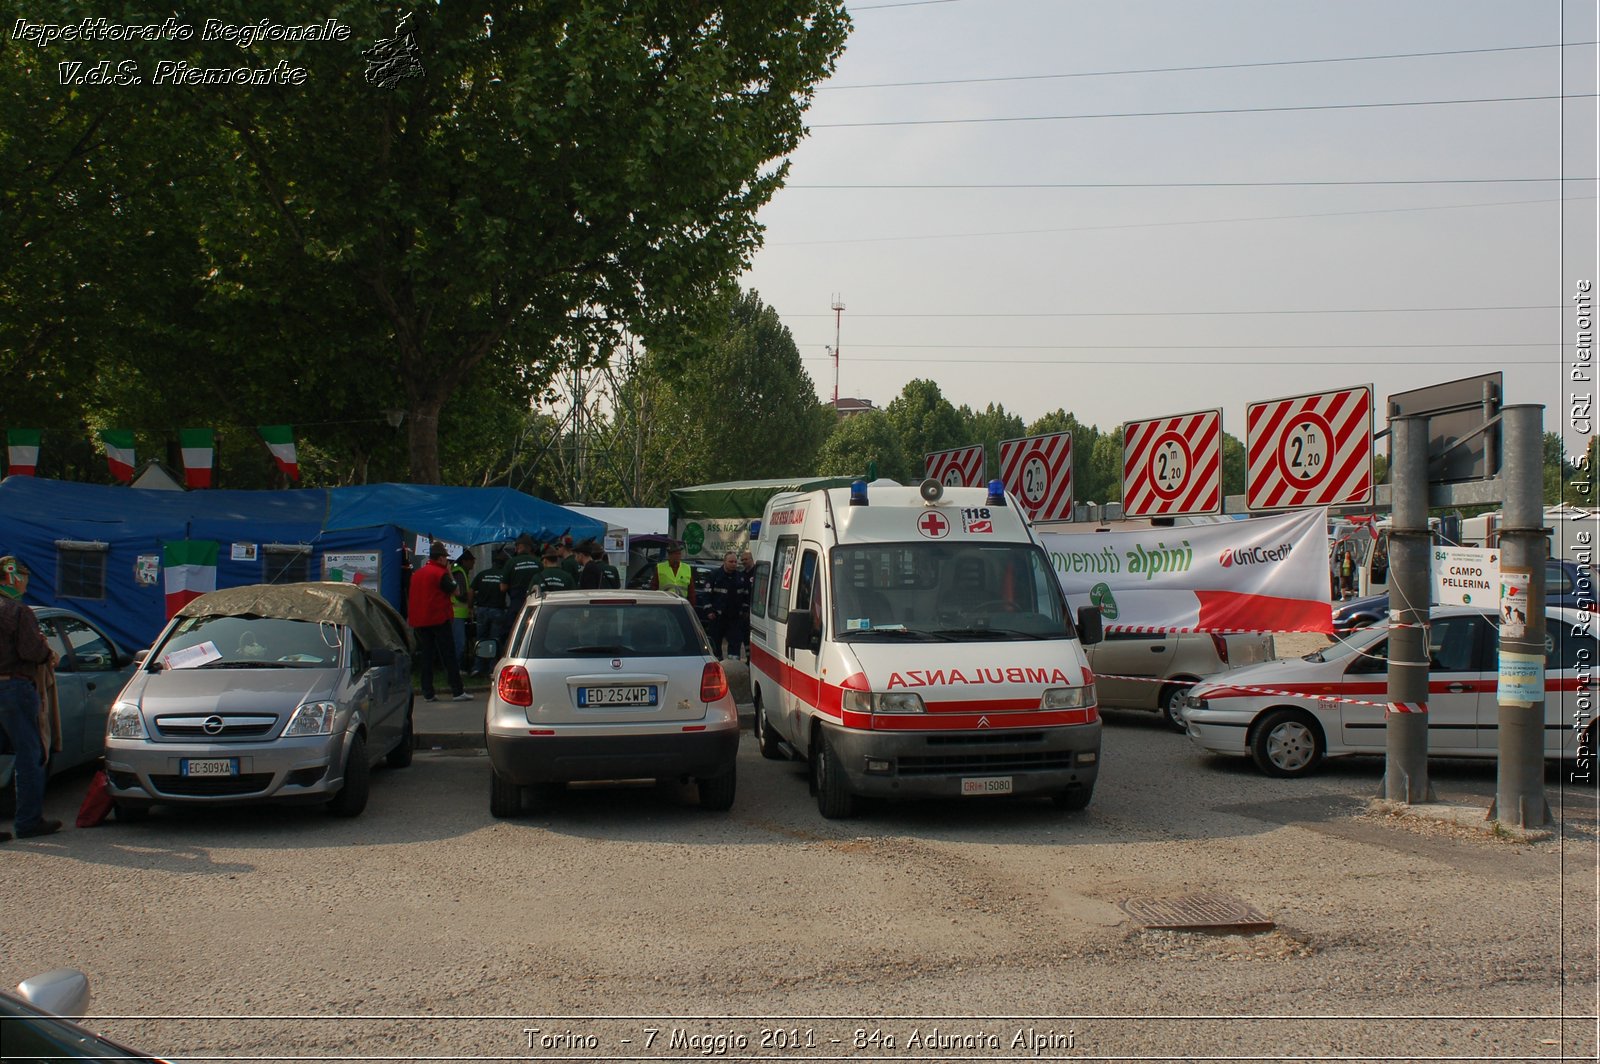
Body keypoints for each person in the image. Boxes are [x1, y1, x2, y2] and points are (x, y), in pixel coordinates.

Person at [0, 555, 62, 840]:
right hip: (14, 687)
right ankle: (27, 821)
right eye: (23, 577)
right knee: (30, 754)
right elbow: (30, 651)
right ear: (13, 578)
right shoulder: (18, 611)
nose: (26, 583)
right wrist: (48, 653)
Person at [409, 541, 469, 702]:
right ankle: (457, 690)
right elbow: (456, 591)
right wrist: (449, 573)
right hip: (438, 618)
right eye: (446, 559)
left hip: (420, 620)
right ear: (441, 558)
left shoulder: (418, 574)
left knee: (427, 656)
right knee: (448, 655)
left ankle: (427, 692)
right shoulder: (440, 573)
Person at [470, 547, 508, 676]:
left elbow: (471, 590)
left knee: (480, 639)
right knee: (495, 640)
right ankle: (493, 668)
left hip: (481, 610)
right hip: (497, 610)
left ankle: (478, 667)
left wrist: (470, 606)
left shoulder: (482, 574)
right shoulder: (503, 575)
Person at [705, 552, 740, 658]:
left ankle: (733, 667)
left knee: (734, 644)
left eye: (735, 562)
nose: (733, 564)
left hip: (733, 618)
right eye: (731, 561)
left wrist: (743, 611)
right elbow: (706, 595)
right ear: (724, 562)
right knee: (715, 644)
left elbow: (744, 596)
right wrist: (709, 611)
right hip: (717, 617)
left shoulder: (740, 577)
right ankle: (717, 665)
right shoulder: (714, 576)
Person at [451, 551, 475, 672]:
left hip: (458, 613)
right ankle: (456, 669)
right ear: (465, 561)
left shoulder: (461, 572)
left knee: (458, 642)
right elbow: (461, 594)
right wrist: (471, 597)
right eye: (472, 560)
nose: (474, 563)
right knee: (459, 643)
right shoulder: (459, 573)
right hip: (456, 614)